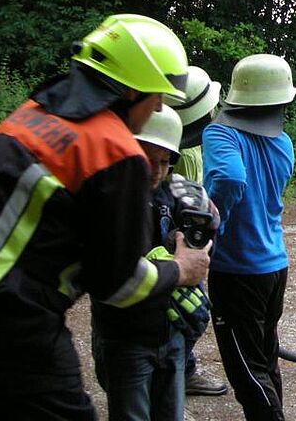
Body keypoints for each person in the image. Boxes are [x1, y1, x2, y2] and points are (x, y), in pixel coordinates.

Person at [0, 14, 211, 420]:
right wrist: (180, 269)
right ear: (130, 89)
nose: (159, 106)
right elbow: (119, 284)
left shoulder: (30, 116)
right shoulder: (112, 149)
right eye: (156, 95)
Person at [92, 106, 215, 421]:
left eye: (164, 161)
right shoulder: (109, 199)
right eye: (147, 159)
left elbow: (201, 238)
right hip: (126, 337)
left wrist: (207, 218)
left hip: (169, 332)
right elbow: (114, 275)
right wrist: (179, 268)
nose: (157, 170)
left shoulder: (170, 195)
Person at [203, 54, 296, 421]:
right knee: (264, 359)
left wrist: (213, 226)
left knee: (246, 371)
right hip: (274, 265)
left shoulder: (221, 133)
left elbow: (229, 178)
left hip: (236, 269)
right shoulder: (283, 143)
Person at [166, 65, 229, 397]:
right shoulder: (187, 154)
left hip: (172, 242)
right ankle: (182, 372)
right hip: (183, 244)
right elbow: (191, 208)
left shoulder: (174, 144)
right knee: (191, 311)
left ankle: (181, 370)